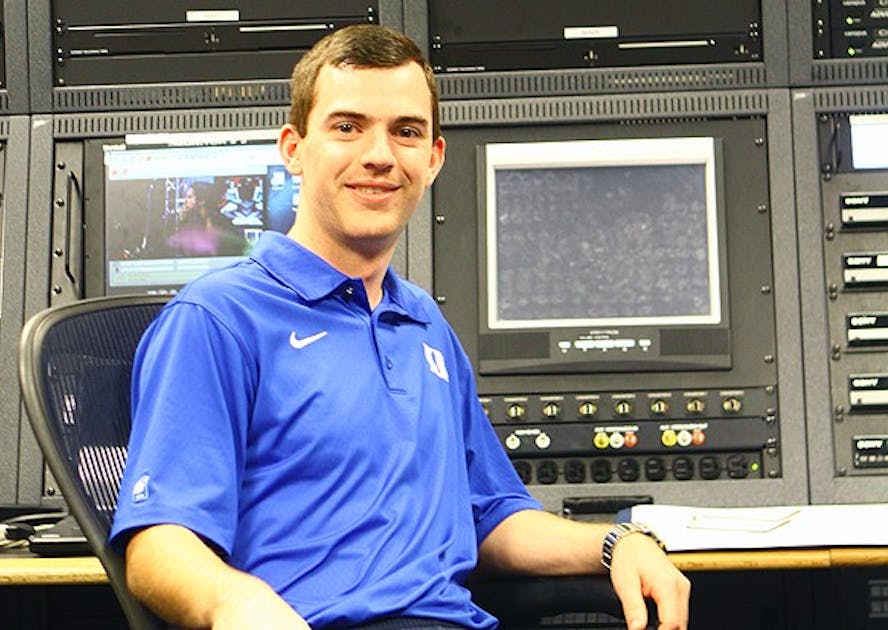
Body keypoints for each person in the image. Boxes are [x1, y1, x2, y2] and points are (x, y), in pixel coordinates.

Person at [110, 24, 690, 630]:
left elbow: (492, 515)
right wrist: (238, 605)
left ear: (433, 158)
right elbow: (156, 551)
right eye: (347, 127)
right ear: (293, 148)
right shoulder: (218, 319)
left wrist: (619, 543)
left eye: (406, 132)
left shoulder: (422, 321)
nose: (380, 156)